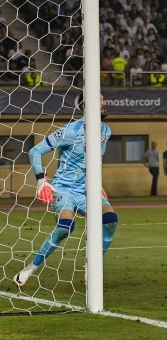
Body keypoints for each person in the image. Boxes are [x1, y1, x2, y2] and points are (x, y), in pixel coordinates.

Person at [13, 95, 118, 287]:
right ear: (86, 105)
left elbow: (95, 161)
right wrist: (41, 180)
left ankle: (91, 263)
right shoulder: (70, 131)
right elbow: (34, 151)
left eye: (104, 99)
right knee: (66, 227)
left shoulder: (106, 131)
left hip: (89, 189)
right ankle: (31, 268)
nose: (105, 103)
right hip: (64, 188)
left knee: (110, 220)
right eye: (100, 99)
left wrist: (98, 184)